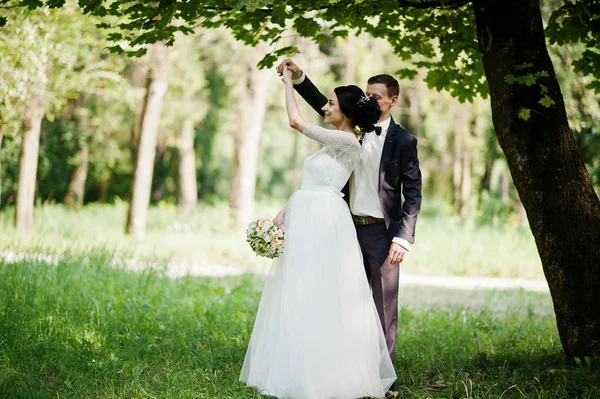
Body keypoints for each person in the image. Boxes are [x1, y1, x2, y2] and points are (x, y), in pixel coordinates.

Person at [239, 66, 396, 398]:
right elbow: (312, 183)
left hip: (325, 219)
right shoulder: (332, 144)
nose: (325, 108)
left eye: (331, 104)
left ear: (347, 112)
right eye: (325, 102)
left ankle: (326, 372)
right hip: (308, 212)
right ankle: (299, 364)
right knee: (300, 287)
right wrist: (282, 214)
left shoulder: (345, 140)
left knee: (321, 288)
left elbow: (296, 122)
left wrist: (286, 85)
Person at [276, 59, 423, 366]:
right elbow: (323, 103)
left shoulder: (404, 141)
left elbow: (412, 193)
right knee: (338, 296)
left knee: (383, 305)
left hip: (381, 232)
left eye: (377, 96)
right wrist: (298, 76)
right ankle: (339, 364)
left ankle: (382, 375)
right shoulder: (350, 129)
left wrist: (403, 238)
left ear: (393, 100)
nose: (371, 100)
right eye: (367, 95)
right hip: (342, 226)